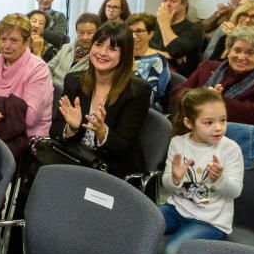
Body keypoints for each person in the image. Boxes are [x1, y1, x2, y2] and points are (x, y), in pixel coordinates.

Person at [155, 87, 243, 254]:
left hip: (209, 221)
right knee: (144, 223)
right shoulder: (178, 143)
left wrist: (219, 179)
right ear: (189, 122)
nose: (218, 127)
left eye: (223, 120)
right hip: (177, 209)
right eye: (209, 122)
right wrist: (175, 177)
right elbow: (168, 185)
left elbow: (235, 191)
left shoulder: (230, 149)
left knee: (174, 251)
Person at [52, 21, 150, 177]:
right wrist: (72, 128)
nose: (102, 53)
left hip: (112, 167)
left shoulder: (137, 91)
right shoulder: (73, 81)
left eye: (112, 48)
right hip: (77, 158)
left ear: (124, 54)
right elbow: (55, 129)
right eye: (98, 45)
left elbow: (124, 147)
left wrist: (102, 132)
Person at [172, 26, 254, 126]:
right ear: (229, 51)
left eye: (250, 53)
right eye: (237, 50)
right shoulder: (207, 67)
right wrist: (198, 97)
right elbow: (177, 94)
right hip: (189, 127)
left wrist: (219, 102)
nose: (241, 57)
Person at [0, 13, 53, 139]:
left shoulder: (38, 69)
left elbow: (29, 119)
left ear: (27, 42)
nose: (6, 46)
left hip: (26, 140)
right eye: (3, 39)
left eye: (14, 40)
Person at [205, 0, 254, 71]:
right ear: (237, 16)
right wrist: (229, 45)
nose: (247, 20)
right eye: (244, 15)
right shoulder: (225, 38)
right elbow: (212, 66)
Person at [151, 0, 204, 77]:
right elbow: (139, 48)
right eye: (164, 0)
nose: (167, 4)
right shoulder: (153, 24)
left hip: (177, 78)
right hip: (152, 70)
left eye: (173, 1)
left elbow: (175, 51)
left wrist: (164, 24)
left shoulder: (194, 29)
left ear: (184, 5)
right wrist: (168, 55)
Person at [127, 12, 171, 109]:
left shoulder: (157, 60)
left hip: (145, 111)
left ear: (150, 34)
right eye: (130, 31)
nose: (133, 36)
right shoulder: (119, 55)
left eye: (139, 31)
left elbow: (151, 98)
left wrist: (134, 70)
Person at [49, 12, 100, 88]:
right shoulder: (66, 48)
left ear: (98, 33)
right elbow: (49, 67)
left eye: (90, 33)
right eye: (81, 33)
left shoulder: (99, 57)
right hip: (52, 89)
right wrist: (48, 84)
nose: (85, 37)